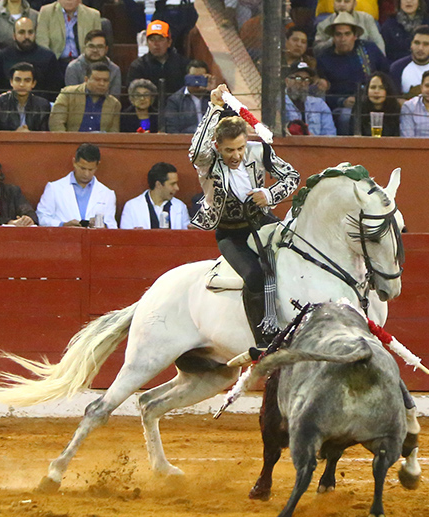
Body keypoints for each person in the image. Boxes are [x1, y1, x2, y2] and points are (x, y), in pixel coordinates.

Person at [190, 83, 300, 346]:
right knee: (254, 276)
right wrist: (214, 107)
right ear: (217, 146)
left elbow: (292, 176)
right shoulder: (207, 160)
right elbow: (195, 150)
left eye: (240, 148)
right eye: (229, 150)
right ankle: (263, 336)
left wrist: (270, 195)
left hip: (264, 222)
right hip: (231, 232)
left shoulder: (258, 150)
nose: (236, 155)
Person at [315, 12, 390, 134]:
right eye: (338, 34)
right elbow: (323, 95)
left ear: (355, 36)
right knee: (346, 117)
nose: (343, 38)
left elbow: (386, 75)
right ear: (333, 37)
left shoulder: (370, 49)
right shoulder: (324, 58)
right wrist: (342, 101)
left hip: (373, 100)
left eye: (347, 34)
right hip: (344, 106)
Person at [36, 143, 118, 228]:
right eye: (82, 168)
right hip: (63, 239)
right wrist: (62, 225)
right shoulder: (54, 188)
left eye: (90, 169)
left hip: (94, 240)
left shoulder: (107, 194)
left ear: (97, 166)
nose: (86, 174)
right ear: (74, 162)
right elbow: (42, 217)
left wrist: (102, 226)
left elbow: (112, 226)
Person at [0, 17, 63, 97]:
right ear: (14, 36)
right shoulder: (2, 57)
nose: (26, 36)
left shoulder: (48, 57)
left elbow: (55, 90)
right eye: (21, 32)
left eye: (30, 32)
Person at [49, 61, 121, 131]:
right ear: (86, 79)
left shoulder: (114, 104)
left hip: (100, 142)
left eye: (105, 80)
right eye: (97, 80)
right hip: (72, 141)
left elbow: (113, 132)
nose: (102, 84)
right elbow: (56, 123)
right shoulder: (68, 94)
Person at [127, 20, 190, 96]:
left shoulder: (183, 64)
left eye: (160, 39)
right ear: (147, 42)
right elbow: (133, 95)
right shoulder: (138, 66)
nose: (156, 44)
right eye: (152, 39)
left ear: (169, 42)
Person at [119, 162, 190, 229]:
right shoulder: (132, 207)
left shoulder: (180, 207)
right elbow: (124, 238)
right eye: (172, 184)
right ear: (158, 184)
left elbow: (186, 237)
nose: (177, 188)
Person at [388, 25, 429, 97]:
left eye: (426, 44)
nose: (420, 48)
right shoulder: (397, 68)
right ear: (411, 45)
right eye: (417, 43)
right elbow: (395, 99)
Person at [36, 0, 101, 66]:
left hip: (84, 64)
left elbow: (98, 44)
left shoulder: (93, 15)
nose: (68, 1)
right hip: (55, 63)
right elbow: (42, 43)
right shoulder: (46, 12)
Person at [0, 61, 51, 130]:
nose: (22, 84)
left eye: (27, 80)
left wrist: (29, 136)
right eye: (18, 80)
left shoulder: (42, 105)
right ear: (11, 82)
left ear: (33, 83)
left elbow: (44, 136)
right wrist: (14, 136)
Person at [314, 0, 386, 56]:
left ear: (354, 4)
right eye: (338, 1)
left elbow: (378, 43)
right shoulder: (324, 24)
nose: (342, 4)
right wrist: (333, 41)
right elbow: (317, 50)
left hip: (364, 59)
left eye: (347, 1)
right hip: (336, 61)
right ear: (333, 3)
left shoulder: (366, 19)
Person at [284, 61, 336, 135]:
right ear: (287, 81)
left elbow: (330, 134)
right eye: (298, 78)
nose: (303, 83)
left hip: (316, 145)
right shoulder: (279, 103)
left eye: (307, 79)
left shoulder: (319, 105)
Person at [63, 29, 120, 96]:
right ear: (84, 47)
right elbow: (72, 98)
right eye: (91, 46)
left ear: (106, 49)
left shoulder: (114, 69)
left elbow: (115, 101)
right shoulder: (73, 67)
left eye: (100, 47)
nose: (95, 50)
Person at [162, 59, 213, 134]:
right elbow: (172, 129)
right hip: (186, 140)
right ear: (186, 78)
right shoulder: (175, 100)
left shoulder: (214, 98)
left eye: (200, 78)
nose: (197, 82)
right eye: (193, 77)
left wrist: (213, 91)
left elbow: (226, 119)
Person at [357, 71, 402, 136]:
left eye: (381, 88)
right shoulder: (359, 107)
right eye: (373, 87)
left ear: (387, 91)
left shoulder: (395, 108)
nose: (376, 91)